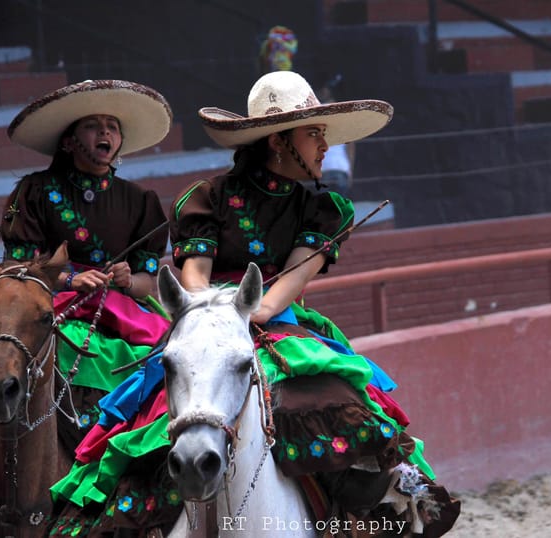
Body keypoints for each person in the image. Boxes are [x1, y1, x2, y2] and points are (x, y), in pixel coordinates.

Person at [170, 70, 461, 534]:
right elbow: (195, 281)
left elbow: (283, 288)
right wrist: (223, 318)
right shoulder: (207, 198)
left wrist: (254, 312)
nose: (325, 146)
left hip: (278, 321)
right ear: (279, 141)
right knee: (147, 415)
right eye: (313, 135)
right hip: (209, 322)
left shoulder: (321, 209)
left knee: (337, 397)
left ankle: (367, 507)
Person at [0, 79, 179, 534]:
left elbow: (145, 280)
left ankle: (129, 465)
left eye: (112, 126)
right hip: (43, 293)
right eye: (94, 126)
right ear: (70, 140)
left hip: (116, 307)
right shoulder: (36, 191)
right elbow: (17, 265)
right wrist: (72, 278)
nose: (106, 134)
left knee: (162, 363)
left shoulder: (141, 201)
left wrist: (124, 279)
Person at [318, 79, 356, 197]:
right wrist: (350, 171)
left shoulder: (315, 115)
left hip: (324, 168)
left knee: (325, 209)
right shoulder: (342, 115)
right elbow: (350, 147)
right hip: (341, 167)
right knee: (340, 208)